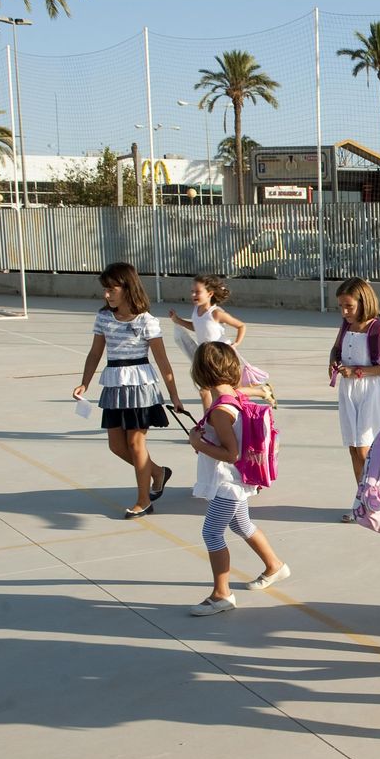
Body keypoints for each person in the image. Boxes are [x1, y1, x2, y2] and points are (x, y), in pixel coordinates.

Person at [185, 341, 289, 616]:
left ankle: (222, 595)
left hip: (229, 483)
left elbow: (231, 454)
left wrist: (197, 440)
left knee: (211, 532)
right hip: (239, 481)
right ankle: (275, 566)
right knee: (241, 524)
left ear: (200, 373)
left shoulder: (221, 410)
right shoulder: (236, 396)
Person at [73, 263, 184, 519]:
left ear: (127, 288)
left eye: (111, 289)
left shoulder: (147, 321)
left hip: (140, 386)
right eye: (105, 290)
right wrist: (85, 382)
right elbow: (94, 353)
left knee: (135, 444)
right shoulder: (103, 317)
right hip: (113, 384)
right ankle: (157, 472)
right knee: (116, 446)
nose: (107, 295)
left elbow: (163, 363)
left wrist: (174, 395)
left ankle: (143, 500)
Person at [329, 278, 380, 520]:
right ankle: (362, 498)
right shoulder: (346, 326)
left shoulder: (378, 329)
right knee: (353, 448)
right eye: (341, 306)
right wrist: (334, 359)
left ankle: (375, 498)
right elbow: (337, 348)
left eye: (349, 306)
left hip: (369, 391)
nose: (344, 312)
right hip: (348, 392)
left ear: (363, 301)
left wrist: (358, 371)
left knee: (364, 449)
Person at [168, 274, 276, 412]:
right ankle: (208, 421)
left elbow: (241, 326)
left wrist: (236, 343)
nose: (193, 294)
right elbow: (198, 327)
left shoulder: (216, 313)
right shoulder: (197, 310)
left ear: (210, 293)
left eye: (198, 291)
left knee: (231, 391)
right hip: (207, 358)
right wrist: (178, 321)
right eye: (192, 291)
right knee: (205, 391)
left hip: (223, 358)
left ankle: (263, 392)